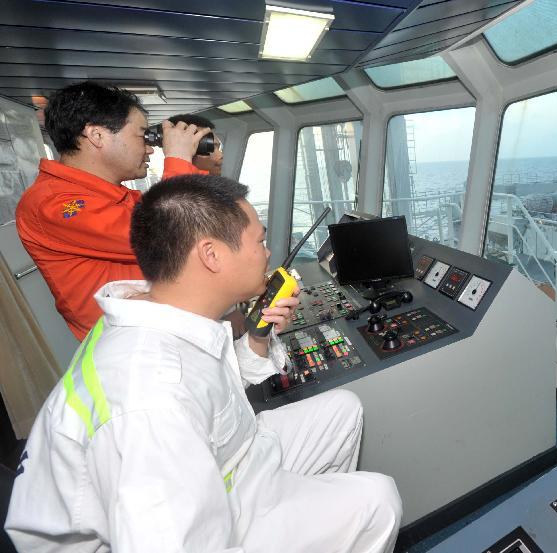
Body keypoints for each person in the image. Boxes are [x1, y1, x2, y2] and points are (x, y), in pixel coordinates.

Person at [5, 174, 402, 553]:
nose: (266, 252)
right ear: (211, 254)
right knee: (377, 499)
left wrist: (258, 335)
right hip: (194, 513)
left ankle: (307, 517)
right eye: (259, 240)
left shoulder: (158, 308)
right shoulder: (148, 399)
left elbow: (214, 390)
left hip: (224, 462)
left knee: (341, 409)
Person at [15, 81, 211, 341]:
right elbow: (162, 235)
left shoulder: (114, 196)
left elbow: (198, 222)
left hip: (162, 333)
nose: (151, 147)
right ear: (97, 136)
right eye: (142, 135)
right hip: (130, 349)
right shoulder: (51, 203)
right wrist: (178, 161)